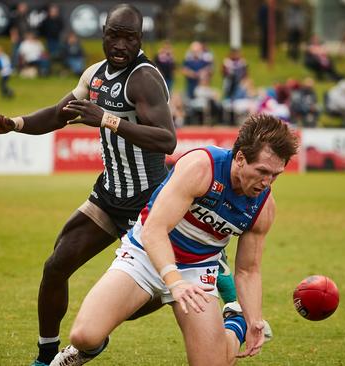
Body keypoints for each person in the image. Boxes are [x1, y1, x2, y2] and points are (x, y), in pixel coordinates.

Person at [0, 5, 176, 366]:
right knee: (56, 265)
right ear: (102, 33)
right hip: (109, 196)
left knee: (138, 300)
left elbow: (167, 140)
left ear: (140, 40)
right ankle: (46, 357)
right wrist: (15, 123)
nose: (120, 44)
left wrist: (108, 119)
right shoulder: (95, 75)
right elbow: (59, 113)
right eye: (113, 35)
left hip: (148, 204)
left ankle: (96, 337)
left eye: (129, 38)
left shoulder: (144, 78)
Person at [50, 114, 297, 366]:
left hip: (197, 270)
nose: (266, 183)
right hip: (144, 255)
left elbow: (248, 270)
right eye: (262, 171)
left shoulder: (263, 207)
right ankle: (89, 350)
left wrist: (254, 318)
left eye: (275, 175)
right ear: (241, 158)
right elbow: (154, 230)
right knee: (84, 335)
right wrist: (174, 282)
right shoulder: (202, 167)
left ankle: (236, 322)